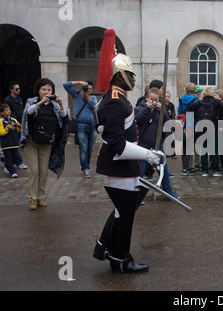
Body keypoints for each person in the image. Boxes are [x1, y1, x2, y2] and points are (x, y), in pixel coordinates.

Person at [93, 29, 161, 273]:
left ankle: (106, 248)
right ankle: (121, 258)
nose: (134, 80)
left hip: (125, 164)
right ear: (118, 76)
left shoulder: (119, 98)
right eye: (130, 75)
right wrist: (148, 154)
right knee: (125, 213)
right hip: (119, 163)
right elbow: (116, 142)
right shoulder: (114, 99)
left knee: (124, 210)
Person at [20, 78, 69, 209]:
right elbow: (28, 112)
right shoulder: (32, 101)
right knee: (34, 170)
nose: (46, 92)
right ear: (38, 90)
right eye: (44, 89)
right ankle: (32, 199)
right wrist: (41, 102)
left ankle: (41, 196)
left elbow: (64, 118)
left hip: (47, 141)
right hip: (32, 141)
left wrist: (61, 103)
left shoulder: (55, 105)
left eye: (49, 90)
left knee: (43, 171)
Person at [134, 87, 179, 199]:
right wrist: (148, 109)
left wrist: (162, 110)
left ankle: (169, 192)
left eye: (156, 100)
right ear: (147, 98)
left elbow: (169, 124)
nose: (154, 102)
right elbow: (136, 120)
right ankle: (137, 196)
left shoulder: (160, 110)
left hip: (158, 145)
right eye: (151, 99)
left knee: (164, 171)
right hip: (143, 146)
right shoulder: (139, 108)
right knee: (140, 172)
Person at [63, 80, 97, 178]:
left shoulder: (93, 98)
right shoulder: (76, 95)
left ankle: (87, 166)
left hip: (91, 126)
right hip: (80, 126)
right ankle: (85, 169)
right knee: (83, 149)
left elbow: (93, 106)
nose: (88, 90)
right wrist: (79, 82)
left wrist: (87, 95)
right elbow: (65, 85)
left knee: (90, 149)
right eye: (86, 88)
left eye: (90, 89)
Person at [187, 87, 223, 177]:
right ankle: (215, 170)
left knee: (204, 149)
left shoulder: (199, 102)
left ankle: (204, 171)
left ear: (205, 94)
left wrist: (195, 119)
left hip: (202, 127)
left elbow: (189, 108)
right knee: (214, 149)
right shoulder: (216, 102)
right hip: (213, 126)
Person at [2, 81, 27, 169]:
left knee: (17, 143)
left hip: (19, 123)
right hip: (13, 124)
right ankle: (17, 162)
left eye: (19, 88)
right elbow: (6, 112)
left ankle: (6, 160)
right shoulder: (7, 100)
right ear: (11, 90)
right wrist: (11, 122)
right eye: (16, 89)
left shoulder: (20, 99)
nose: (19, 90)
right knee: (14, 144)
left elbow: (22, 110)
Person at [178, 83, 200, 175]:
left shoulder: (182, 99)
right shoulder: (195, 100)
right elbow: (197, 114)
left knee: (184, 146)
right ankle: (187, 168)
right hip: (191, 122)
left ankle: (184, 167)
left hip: (183, 121)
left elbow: (179, 110)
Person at [0, 104, 21, 178]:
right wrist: (8, 128)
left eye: (9, 110)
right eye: (6, 110)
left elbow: (19, 130)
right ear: (2, 113)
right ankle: (13, 172)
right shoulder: (1, 121)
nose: (9, 112)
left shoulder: (13, 120)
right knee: (8, 158)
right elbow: (0, 132)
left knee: (16, 157)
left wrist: (19, 126)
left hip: (14, 143)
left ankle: (6, 164)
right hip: (6, 144)